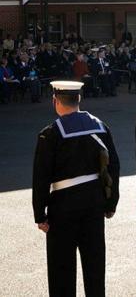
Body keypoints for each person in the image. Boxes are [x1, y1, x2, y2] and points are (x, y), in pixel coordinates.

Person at [32, 81, 120, 297]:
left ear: (55, 101)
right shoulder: (100, 126)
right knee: (95, 265)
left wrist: (40, 214)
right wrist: (110, 202)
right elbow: (114, 167)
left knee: (61, 269)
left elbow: (41, 177)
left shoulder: (50, 134)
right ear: (79, 99)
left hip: (63, 205)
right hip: (94, 202)